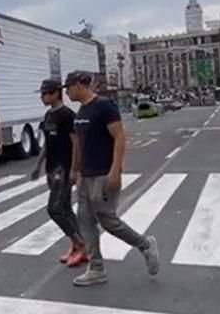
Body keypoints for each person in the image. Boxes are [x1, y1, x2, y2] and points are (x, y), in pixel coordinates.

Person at [65, 70, 159, 287]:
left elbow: (119, 137)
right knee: (85, 221)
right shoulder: (81, 112)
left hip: (103, 174)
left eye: (69, 86)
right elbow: (78, 145)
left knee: (108, 221)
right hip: (86, 176)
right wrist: (75, 171)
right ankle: (96, 268)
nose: (67, 91)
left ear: (81, 84)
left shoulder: (104, 106)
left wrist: (115, 171)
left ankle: (145, 245)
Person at [32, 79, 86, 267]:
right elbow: (47, 143)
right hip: (51, 167)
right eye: (41, 94)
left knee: (54, 208)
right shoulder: (48, 116)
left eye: (45, 93)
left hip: (63, 167)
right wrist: (38, 165)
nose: (42, 97)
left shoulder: (67, 115)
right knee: (64, 207)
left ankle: (80, 244)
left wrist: (74, 170)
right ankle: (77, 244)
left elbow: (76, 143)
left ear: (56, 93)